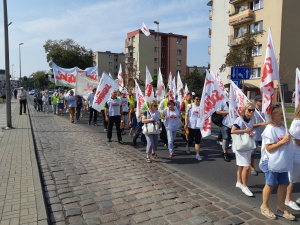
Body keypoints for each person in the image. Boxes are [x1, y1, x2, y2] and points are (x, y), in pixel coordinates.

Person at [259, 104, 295, 221]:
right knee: (270, 184)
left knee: (284, 183)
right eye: (280, 113)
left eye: (282, 112)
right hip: (271, 161)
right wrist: (282, 142)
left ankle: (281, 206)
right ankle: (264, 206)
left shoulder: (283, 127)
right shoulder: (270, 128)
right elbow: (268, 148)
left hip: (282, 161)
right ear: (274, 115)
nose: (282, 115)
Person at [231, 102, 256, 197]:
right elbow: (232, 131)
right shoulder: (240, 120)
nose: (251, 112)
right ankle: (245, 186)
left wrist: (250, 133)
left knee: (242, 166)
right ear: (244, 110)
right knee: (246, 166)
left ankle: (238, 182)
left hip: (247, 145)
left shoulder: (251, 120)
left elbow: (249, 131)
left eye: (253, 110)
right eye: (249, 110)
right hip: (240, 146)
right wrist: (245, 131)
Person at [285, 105, 300, 211]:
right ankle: (287, 199)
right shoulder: (298, 123)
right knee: (293, 178)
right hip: (296, 153)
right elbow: (297, 141)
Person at [251, 95, 267, 175]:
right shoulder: (253, 112)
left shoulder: (264, 111)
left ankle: (265, 168)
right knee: (252, 153)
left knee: (265, 153)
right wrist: (262, 123)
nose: (262, 102)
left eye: (262, 101)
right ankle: (252, 167)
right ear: (256, 102)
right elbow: (251, 125)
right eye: (260, 101)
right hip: (255, 136)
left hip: (263, 136)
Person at [184, 94, 202, 161]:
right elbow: (186, 115)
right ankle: (188, 146)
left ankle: (197, 154)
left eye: (199, 99)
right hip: (191, 126)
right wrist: (186, 123)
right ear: (194, 99)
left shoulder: (201, 107)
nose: (198, 100)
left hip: (198, 127)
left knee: (197, 142)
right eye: (197, 99)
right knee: (190, 141)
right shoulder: (190, 106)